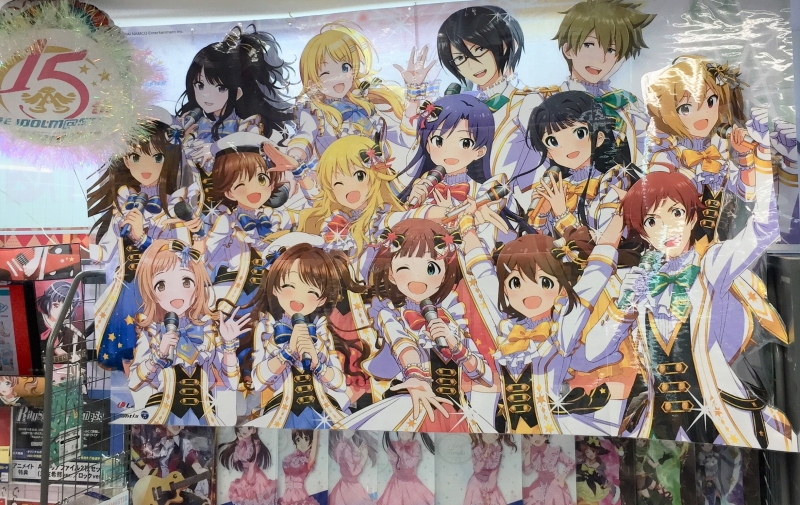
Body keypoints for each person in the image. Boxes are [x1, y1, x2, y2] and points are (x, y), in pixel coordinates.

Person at [582, 124, 794, 449]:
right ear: (643, 232)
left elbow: (763, 230)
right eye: (652, 221)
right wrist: (622, 307)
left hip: (724, 423)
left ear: (693, 217)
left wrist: (761, 160)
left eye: (675, 213)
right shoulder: (639, 281)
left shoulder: (711, 264)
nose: (666, 228)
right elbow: (594, 352)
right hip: (661, 432)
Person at [88, 107, 199, 372]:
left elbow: (181, 254)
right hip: (128, 287)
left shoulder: (177, 202)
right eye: (135, 157)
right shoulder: (126, 200)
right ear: (126, 161)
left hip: (163, 290)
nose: (145, 167)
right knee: (128, 350)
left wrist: (142, 239)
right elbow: (112, 243)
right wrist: (98, 252)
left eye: (156, 157)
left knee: (163, 348)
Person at [127, 239, 250, 425]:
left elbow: (231, 383)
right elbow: (134, 382)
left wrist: (229, 347)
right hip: (163, 417)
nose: (175, 293)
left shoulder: (209, 328)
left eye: (186, 281)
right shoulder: (151, 331)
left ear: (197, 286)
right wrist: (158, 355)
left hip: (206, 418)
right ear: (151, 292)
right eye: (161, 285)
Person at [177, 26, 294, 209]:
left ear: (237, 92)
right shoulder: (195, 122)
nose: (206, 95)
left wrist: (215, 148)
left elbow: (252, 141)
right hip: (205, 203)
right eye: (200, 85)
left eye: (220, 88)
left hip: (243, 197)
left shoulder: (247, 123)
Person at [437, 5, 541, 207]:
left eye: (479, 50)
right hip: (465, 204)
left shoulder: (526, 102)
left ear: (505, 45)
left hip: (511, 207)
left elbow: (541, 163)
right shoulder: (463, 105)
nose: (472, 64)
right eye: (460, 58)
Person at [247, 244, 361, 428]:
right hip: (281, 413)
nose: (298, 298)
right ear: (275, 287)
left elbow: (339, 383)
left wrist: (318, 364)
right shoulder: (266, 327)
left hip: (322, 412)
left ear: (322, 299)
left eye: (311, 292)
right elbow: (258, 381)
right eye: (289, 286)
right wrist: (288, 352)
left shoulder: (321, 329)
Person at [645, 55, 755, 242]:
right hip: (675, 244)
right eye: (685, 108)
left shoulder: (718, 150)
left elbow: (748, 192)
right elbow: (654, 205)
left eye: (710, 101)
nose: (702, 114)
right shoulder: (667, 156)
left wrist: (744, 155)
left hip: (715, 245)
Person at [552, 0, 655, 167]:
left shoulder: (628, 104)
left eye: (611, 50)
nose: (600, 59)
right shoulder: (547, 102)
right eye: (589, 44)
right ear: (568, 49)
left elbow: (647, 155)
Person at [218, 427, 277, 505]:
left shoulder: (255, 445)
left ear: (253, 430)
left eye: (248, 428)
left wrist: (250, 478)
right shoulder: (241, 445)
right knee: (244, 496)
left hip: (255, 476)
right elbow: (236, 459)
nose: (243, 431)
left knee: (256, 497)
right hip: (246, 475)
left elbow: (252, 465)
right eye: (240, 429)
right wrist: (240, 443)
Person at [378, 432, 435, 505]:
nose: (405, 433)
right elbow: (393, 463)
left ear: (413, 434)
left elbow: (415, 463)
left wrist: (413, 474)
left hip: (411, 478)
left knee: (416, 497)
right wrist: (396, 474)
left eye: (409, 432)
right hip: (397, 479)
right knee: (394, 498)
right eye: (403, 431)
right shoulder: (393, 445)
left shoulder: (415, 445)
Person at [463, 434, 516, 505]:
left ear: (498, 436)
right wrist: (485, 456)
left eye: (495, 434)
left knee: (496, 498)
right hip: (476, 481)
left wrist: (490, 485)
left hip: (490, 482)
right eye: (486, 433)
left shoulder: (497, 450)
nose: (490, 437)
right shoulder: (477, 448)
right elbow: (476, 470)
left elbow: (495, 471)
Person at [522, 435, 575, 505]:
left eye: (539, 434)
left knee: (554, 499)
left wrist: (562, 478)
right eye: (531, 436)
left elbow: (571, 464)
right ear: (528, 438)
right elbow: (527, 471)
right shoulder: (532, 452)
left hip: (555, 483)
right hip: (539, 484)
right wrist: (527, 453)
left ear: (546, 436)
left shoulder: (554, 451)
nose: (536, 438)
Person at [328, 430, 377, 505]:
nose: (352, 431)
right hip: (349, 486)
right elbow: (353, 472)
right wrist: (364, 457)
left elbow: (351, 460)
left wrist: (360, 453)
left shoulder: (343, 445)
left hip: (348, 485)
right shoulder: (343, 447)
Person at [279, 430, 320, 505]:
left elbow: (315, 442)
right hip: (286, 497)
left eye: (306, 439)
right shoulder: (291, 458)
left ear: (311, 442)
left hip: (299, 496)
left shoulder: (308, 460)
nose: (302, 443)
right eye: (298, 440)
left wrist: (316, 432)